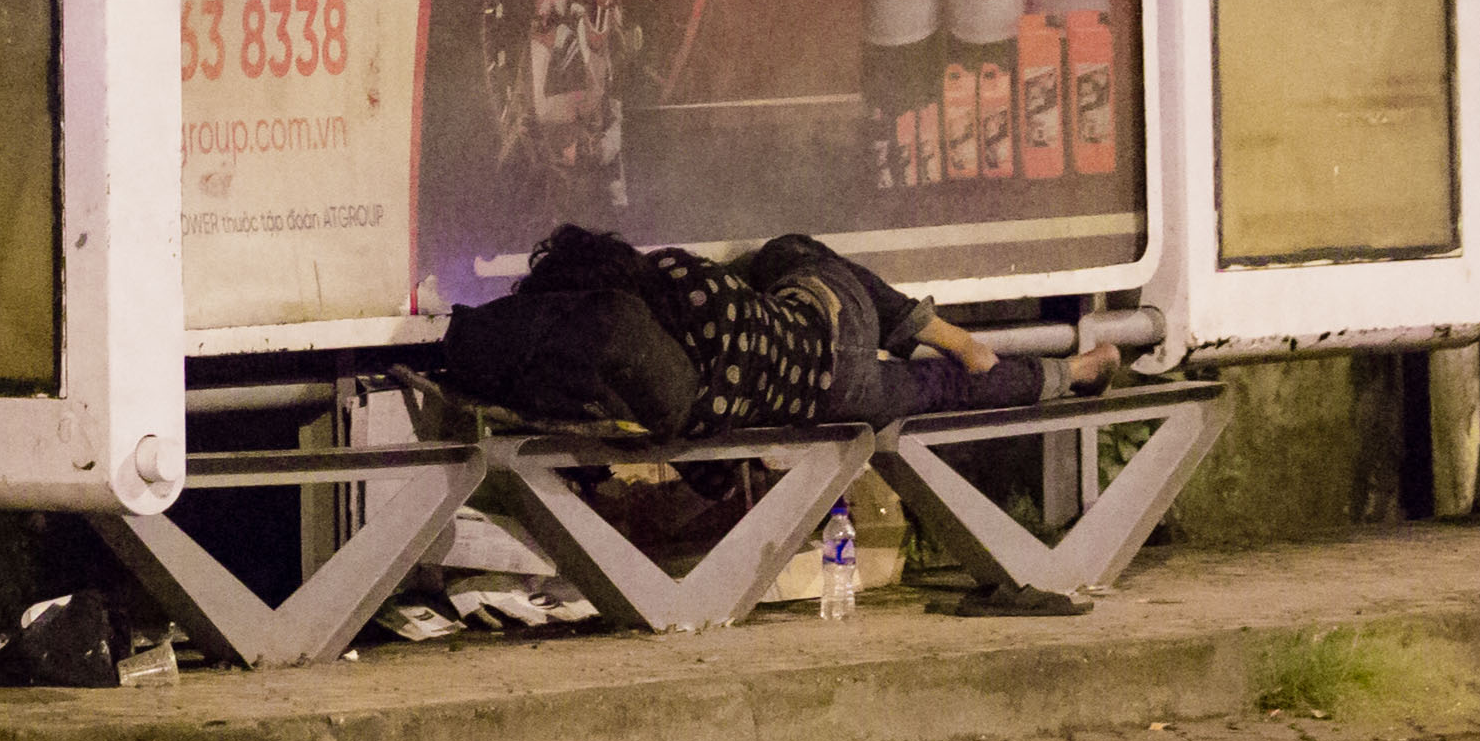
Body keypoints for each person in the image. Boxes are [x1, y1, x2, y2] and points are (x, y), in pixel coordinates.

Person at [444, 222, 1114, 440]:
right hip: (826, 306)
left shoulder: (641, 353)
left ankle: (1071, 372)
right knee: (786, 248)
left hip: (829, 390)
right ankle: (939, 327)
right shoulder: (674, 271)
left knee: (938, 387)